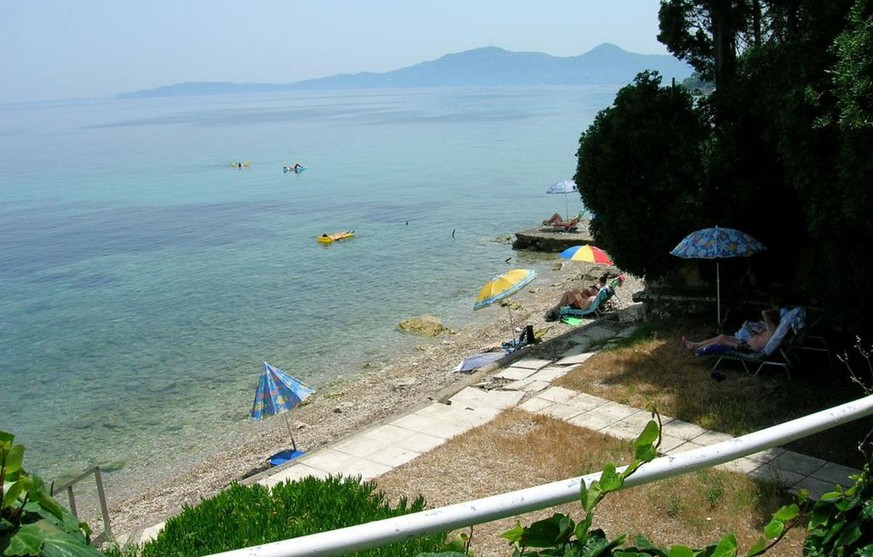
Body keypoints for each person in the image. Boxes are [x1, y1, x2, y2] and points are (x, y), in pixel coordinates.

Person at [682, 308, 781, 354]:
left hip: (749, 349)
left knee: (721, 341)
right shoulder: (769, 329)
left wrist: (777, 310)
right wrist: (754, 329)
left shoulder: (773, 329)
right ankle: (694, 345)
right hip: (745, 343)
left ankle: (696, 349)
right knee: (721, 336)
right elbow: (758, 337)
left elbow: (764, 312)